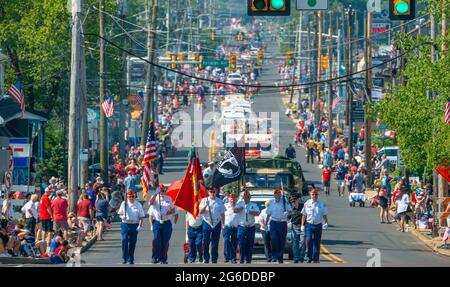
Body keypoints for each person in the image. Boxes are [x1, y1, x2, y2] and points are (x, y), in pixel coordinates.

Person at [148, 184, 176, 264]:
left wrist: (167, 213)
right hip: (157, 222)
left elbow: (173, 210)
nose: (162, 192)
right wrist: (156, 194)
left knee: (165, 241)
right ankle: (155, 257)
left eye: (163, 190)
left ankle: (163, 258)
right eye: (160, 191)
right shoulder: (155, 198)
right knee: (156, 240)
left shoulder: (168, 198)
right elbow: (150, 203)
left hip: (166, 222)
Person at [301, 188, 329, 263]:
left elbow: (324, 214)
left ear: (318, 195)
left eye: (316, 194)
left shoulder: (321, 204)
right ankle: (309, 257)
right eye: (313, 194)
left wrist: (326, 223)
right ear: (310, 195)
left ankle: (316, 258)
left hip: (318, 225)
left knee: (317, 241)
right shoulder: (307, 203)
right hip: (309, 224)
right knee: (309, 240)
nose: (314, 195)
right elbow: (304, 215)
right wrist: (302, 225)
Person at [199, 187, 226, 264]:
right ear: (208, 192)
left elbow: (222, 213)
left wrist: (223, 224)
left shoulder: (219, 201)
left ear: (216, 192)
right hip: (207, 222)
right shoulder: (204, 200)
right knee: (206, 241)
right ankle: (206, 258)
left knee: (215, 242)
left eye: (214, 192)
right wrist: (205, 206)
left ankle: (214, 259)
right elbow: (200, 212)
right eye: (211, 192)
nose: (212, 193)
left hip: (217, 223)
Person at [265, 189, 292, 264]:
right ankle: (274, 256)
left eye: (278, 194)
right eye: (275, 194)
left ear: (280, 195)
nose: (277, 196)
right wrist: (266, 224)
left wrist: (287, 213)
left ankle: (280, 257)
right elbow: (268, 214)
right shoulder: (271, 202)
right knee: (274, 240)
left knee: (282, 240)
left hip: (282, 222)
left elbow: (290, 212)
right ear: (274, 195)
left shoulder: (284, 202)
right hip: (273, 222)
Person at [118, 190, 145, 264]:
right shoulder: (124, 204)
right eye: (130, 197)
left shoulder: (138, 205)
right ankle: (125, 257)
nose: (131, 198)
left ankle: (131, 258)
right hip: (125, 224)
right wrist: (122, 216)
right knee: (124, 240)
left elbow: (141, 217)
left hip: (134, 225)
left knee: (132, 242)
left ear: (135, 196)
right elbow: (120, 214)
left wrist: (140, 225)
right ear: (127, 197)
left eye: (133, 196)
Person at [234, 191, 260, 264]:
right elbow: (235, 210)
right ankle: (241, 258)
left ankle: (248, 259)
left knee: (250, 243)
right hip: (242, 226)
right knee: (241, 243)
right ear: (243, 197)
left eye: (248, 196)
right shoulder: (240, 204)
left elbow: (258, 213)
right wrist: (241, 208)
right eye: (245, 196)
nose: (246, 198)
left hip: (250, 227)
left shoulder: (253, 205)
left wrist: (251, 212)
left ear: (250, 197)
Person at [222, 193, 239, 263]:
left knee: (234, 243)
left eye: (234, 199)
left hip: (235, 227)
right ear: (229, 199)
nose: (232, 200)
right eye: (231, 199)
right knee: (226, 241)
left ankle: (233, 258)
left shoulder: (238, 207)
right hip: (226, 227)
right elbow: (221, 215)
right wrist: (222, 225)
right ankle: (226, 256)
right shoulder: (225, 206)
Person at [289, 196, 306, 263]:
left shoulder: (302, 206)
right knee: (295, 243)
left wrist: (303, 225)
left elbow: (306, 215)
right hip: (294, 226)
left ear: (297, 200)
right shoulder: (290, 208)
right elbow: (288, 217)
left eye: (294, 201)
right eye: (292, 202)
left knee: (302, 242)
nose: (293, 203)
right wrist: (287, 214)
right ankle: (296, 257)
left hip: (302, 226)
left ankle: (301, 257)